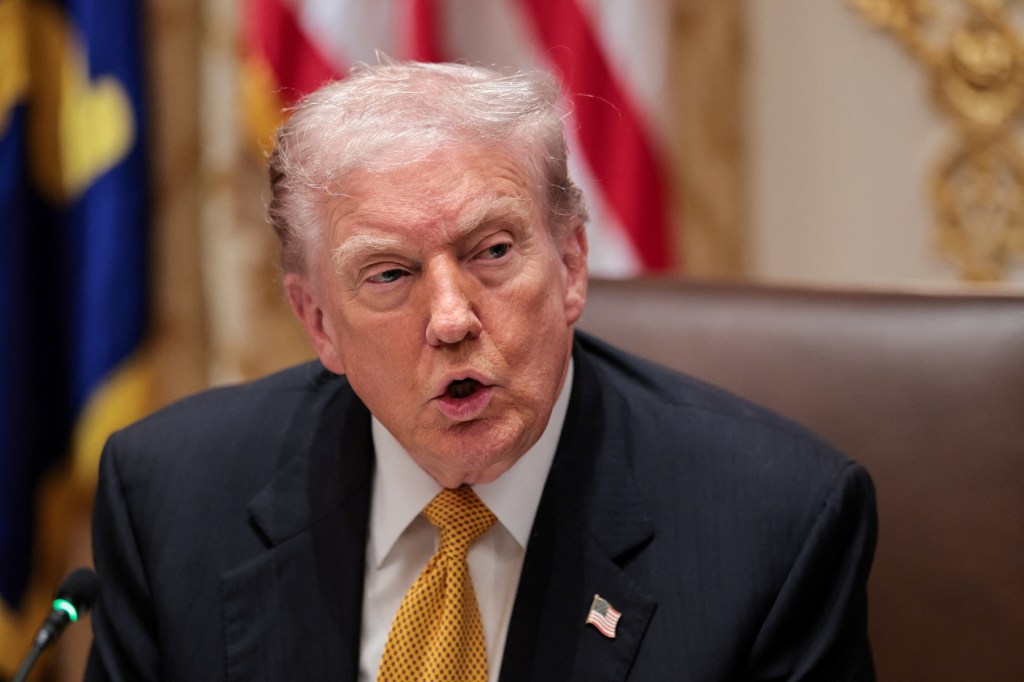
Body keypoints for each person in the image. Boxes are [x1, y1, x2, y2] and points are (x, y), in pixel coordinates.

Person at [85, 61, 877, 681]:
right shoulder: (171, 497)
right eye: (389, 275)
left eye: (492, 252)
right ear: (318, 322)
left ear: (570, 265)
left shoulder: (773, 526)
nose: (452, 319)